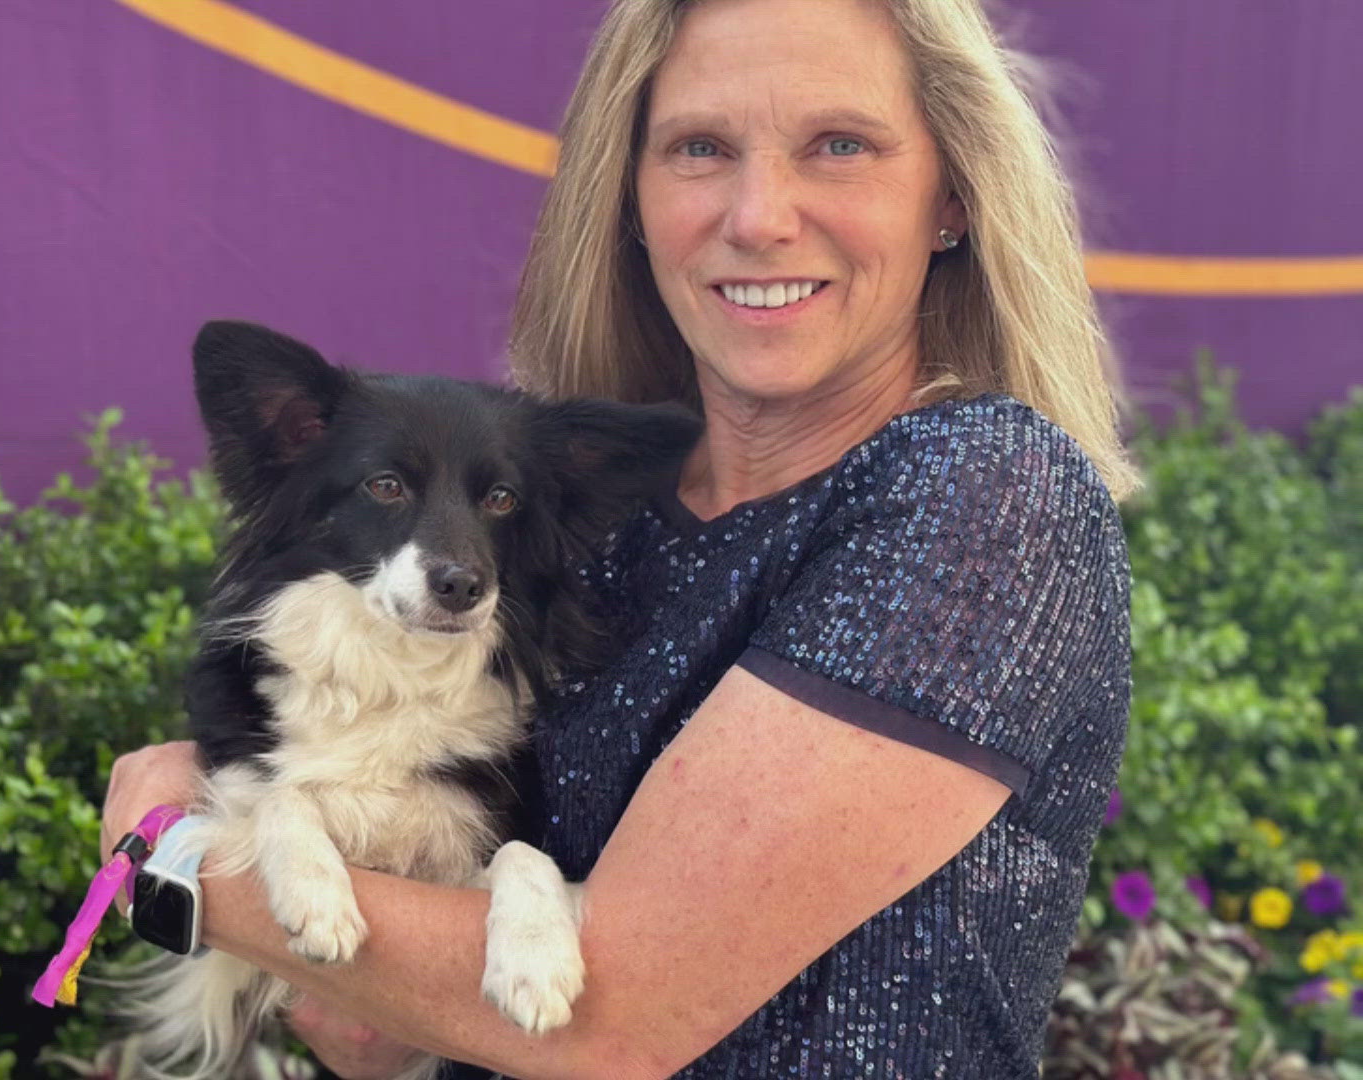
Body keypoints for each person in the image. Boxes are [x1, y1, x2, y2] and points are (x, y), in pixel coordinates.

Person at [101, 0, 1139, 1075]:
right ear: (631, 199)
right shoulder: (574, 518)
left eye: (840, 145)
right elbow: (379, 1037)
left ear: (952, 199)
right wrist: (298, 842)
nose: (759, 215)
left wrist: (183, 855)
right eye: (700, 147)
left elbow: (616, 1016)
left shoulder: (986, 495)